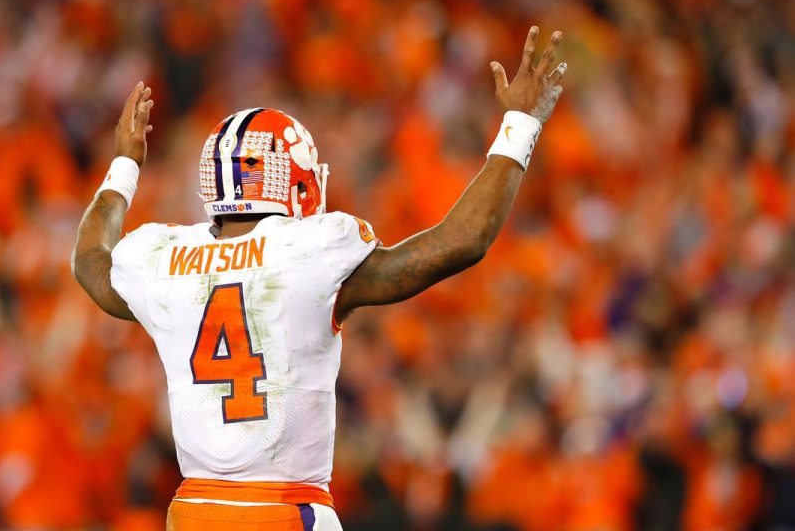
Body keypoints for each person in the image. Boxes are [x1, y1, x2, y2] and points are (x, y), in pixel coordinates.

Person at [72, 26, 567, 531]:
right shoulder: (309, 252)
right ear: (288, 177)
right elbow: (463, 241)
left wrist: (124, 165)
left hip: (196, 512)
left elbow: (90, 262)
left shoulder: (164, 258)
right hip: (286, 509)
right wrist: (520, 123)